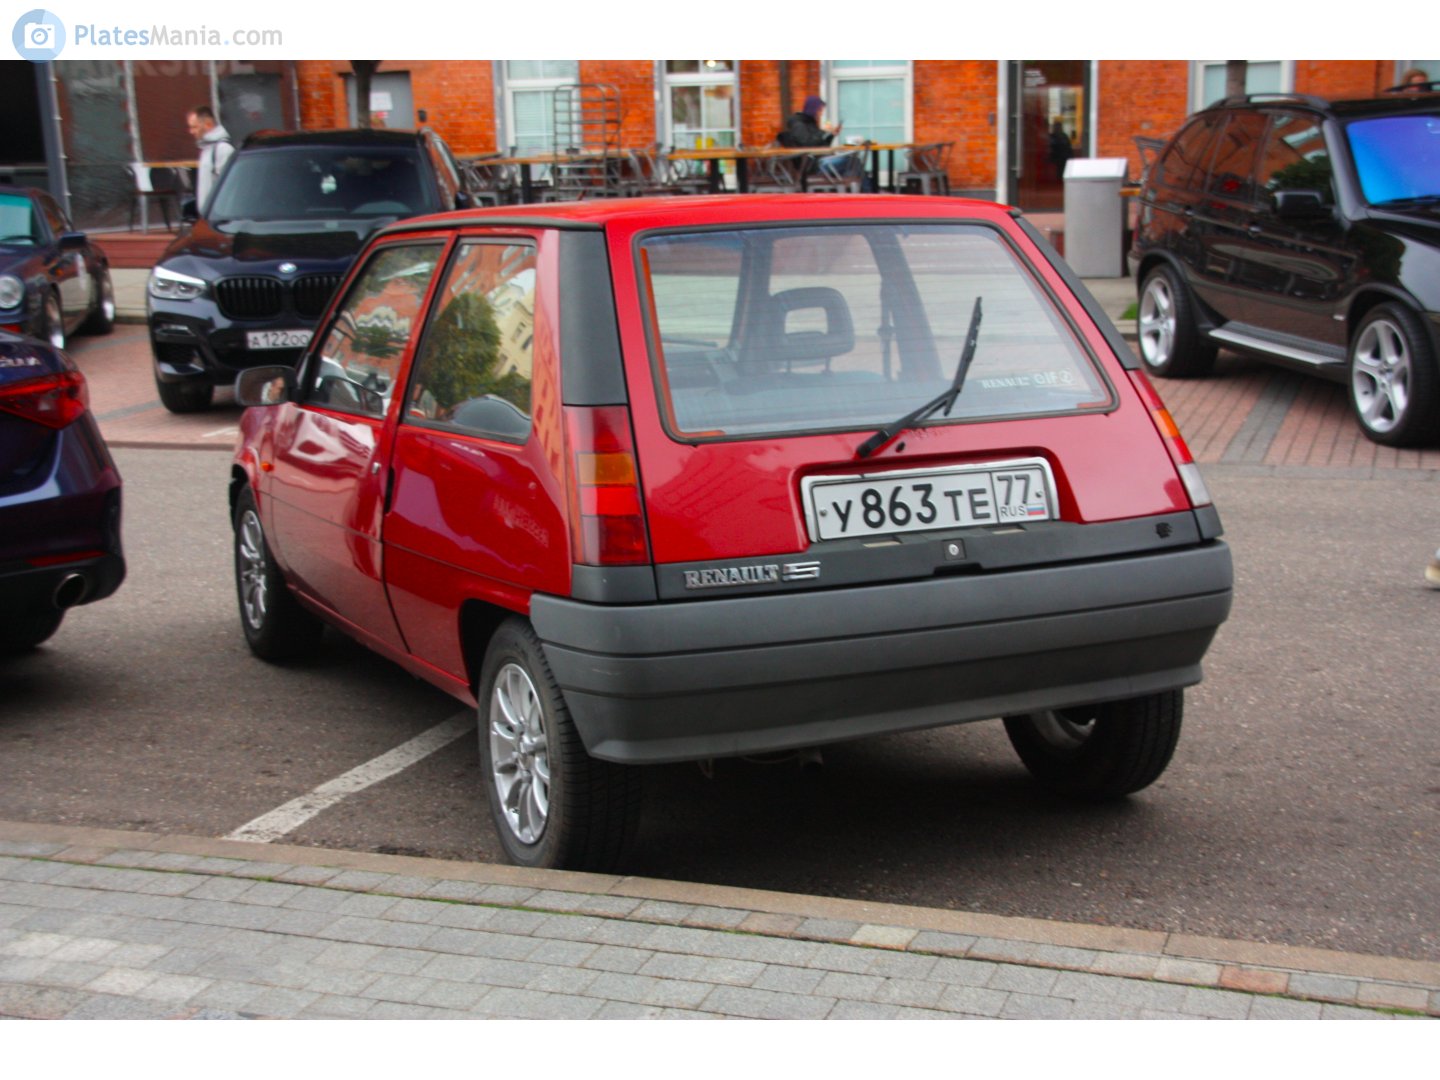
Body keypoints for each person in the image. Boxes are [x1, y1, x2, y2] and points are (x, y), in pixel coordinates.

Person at [187, 105, 234, 210]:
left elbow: (230, 186)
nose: (191, 131)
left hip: (219, 216)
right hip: (210, 216)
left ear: (208, 124)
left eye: (194, 127)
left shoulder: (223, 149)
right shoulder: (207, 149)